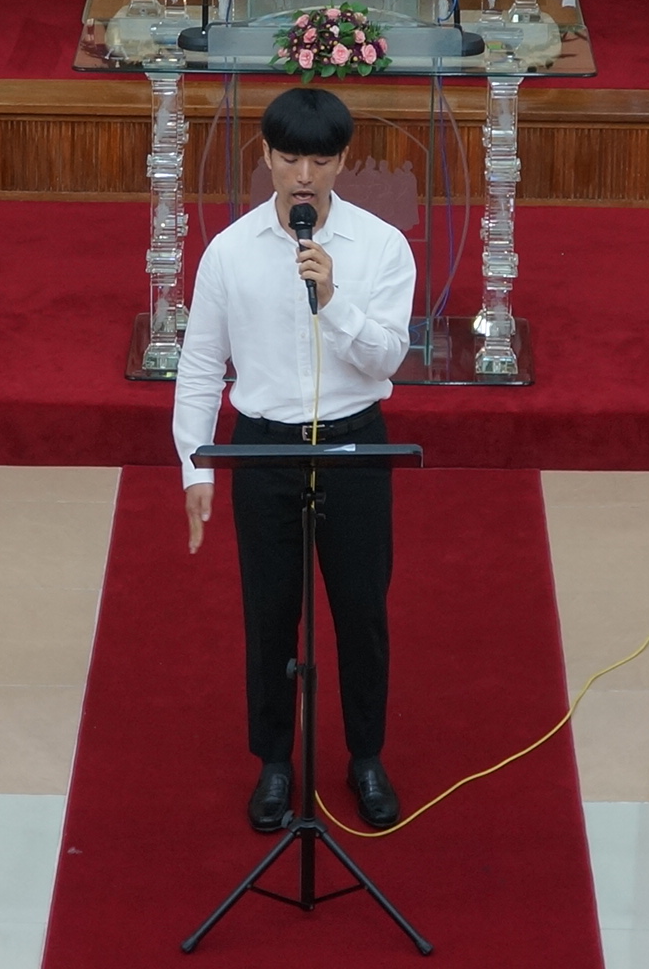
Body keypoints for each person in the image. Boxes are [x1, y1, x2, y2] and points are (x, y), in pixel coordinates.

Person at [175, 86, 415, 834]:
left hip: (353, 443)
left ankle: (366, 757)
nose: (303, 176)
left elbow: (387, 357)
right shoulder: (229, 251)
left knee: (361, 611)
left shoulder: (382, 246)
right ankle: (275, 761)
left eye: (319, 160)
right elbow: (200, 364)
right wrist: (195, 466)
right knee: (270, 613)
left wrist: (333, 298)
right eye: (288, 159)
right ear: (267, 158)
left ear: (343, 160)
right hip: (265, 448)